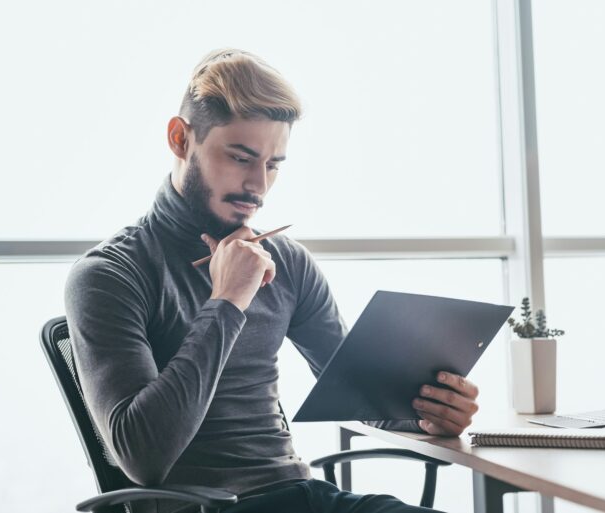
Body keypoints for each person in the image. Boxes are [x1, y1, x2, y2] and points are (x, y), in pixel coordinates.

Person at [65, 49, 479, 513]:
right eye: (241, 158)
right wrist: (227, 301)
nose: (258, 186)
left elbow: (361, 395)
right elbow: (144, 458)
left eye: (274, 164)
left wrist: (427, 417)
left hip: (300, 495)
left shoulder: (287, 262)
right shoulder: (109, 273)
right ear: (181, 139)